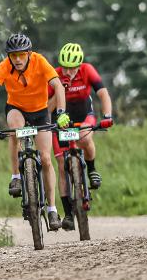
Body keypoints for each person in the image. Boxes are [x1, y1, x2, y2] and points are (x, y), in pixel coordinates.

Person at [0, 33, 69, 230]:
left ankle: (52, 209)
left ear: (29, 53)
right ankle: (16, 177)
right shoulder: (5, 66)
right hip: (17, 109)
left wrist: (61, 112)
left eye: (21, 54)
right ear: (9, 56)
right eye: (13, 55)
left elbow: (58, 86)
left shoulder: (40, 61)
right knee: (15, 130)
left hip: (40, 111)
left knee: (46, 159)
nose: (18, 59)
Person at [48, 42, 113, 231]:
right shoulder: (55, 75)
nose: (68, 72)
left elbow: (103, 94)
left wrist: (107, 116)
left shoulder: (87, 70)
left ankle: (91, 169)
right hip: (60, 119)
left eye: (72, 68)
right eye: (65, 68)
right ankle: (68, 214)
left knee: (85, 138)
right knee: (62, 165)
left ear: (79, 65)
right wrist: (60, 90)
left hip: (84, 114)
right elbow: (47, 107)